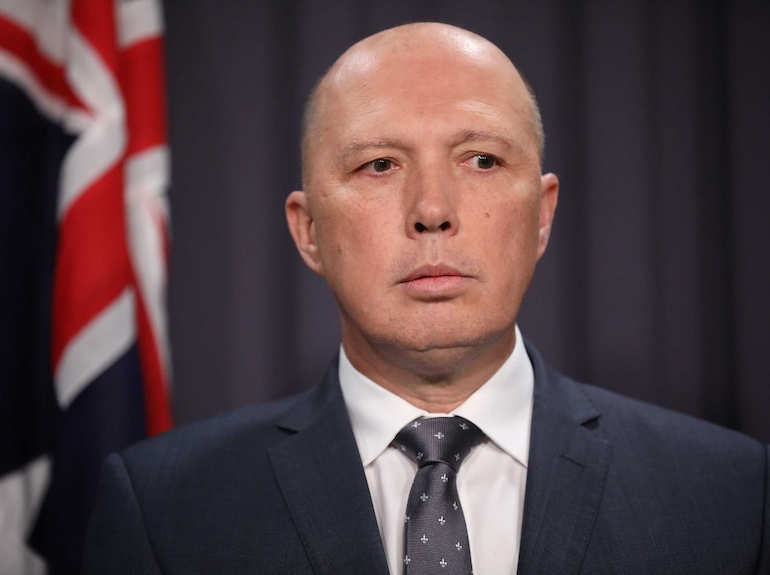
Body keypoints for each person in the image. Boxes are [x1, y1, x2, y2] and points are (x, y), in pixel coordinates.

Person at [82, 22, 769, 575]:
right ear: (308, 230)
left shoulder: (731, 495)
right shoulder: (165, 511)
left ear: (542, 214)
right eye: (379, 164)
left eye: (482, 160)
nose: (433, 209)